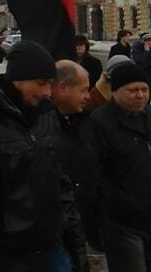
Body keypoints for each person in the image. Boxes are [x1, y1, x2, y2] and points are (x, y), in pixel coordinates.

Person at [0, 40, 87, 272]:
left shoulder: (46, 115)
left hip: (54, 249)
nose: (47, 92)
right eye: (41, 83)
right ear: (18, 79)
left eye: (50, 84)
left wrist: (76, 248)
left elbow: (60, 184)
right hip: (10, 257)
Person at [89, 62, 151, 272]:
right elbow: (96, 174)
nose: (140, 95)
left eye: (144, 89)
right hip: (124, 223)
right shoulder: (100, 122)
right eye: (133, 90)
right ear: (116, 92)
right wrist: (122, 202)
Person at [51, 60, 101, 251]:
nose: (88, 96)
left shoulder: (85, 123)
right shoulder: (40, 128)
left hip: (78, 228)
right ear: (63, 88)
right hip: (51, 235)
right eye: (83, 90)